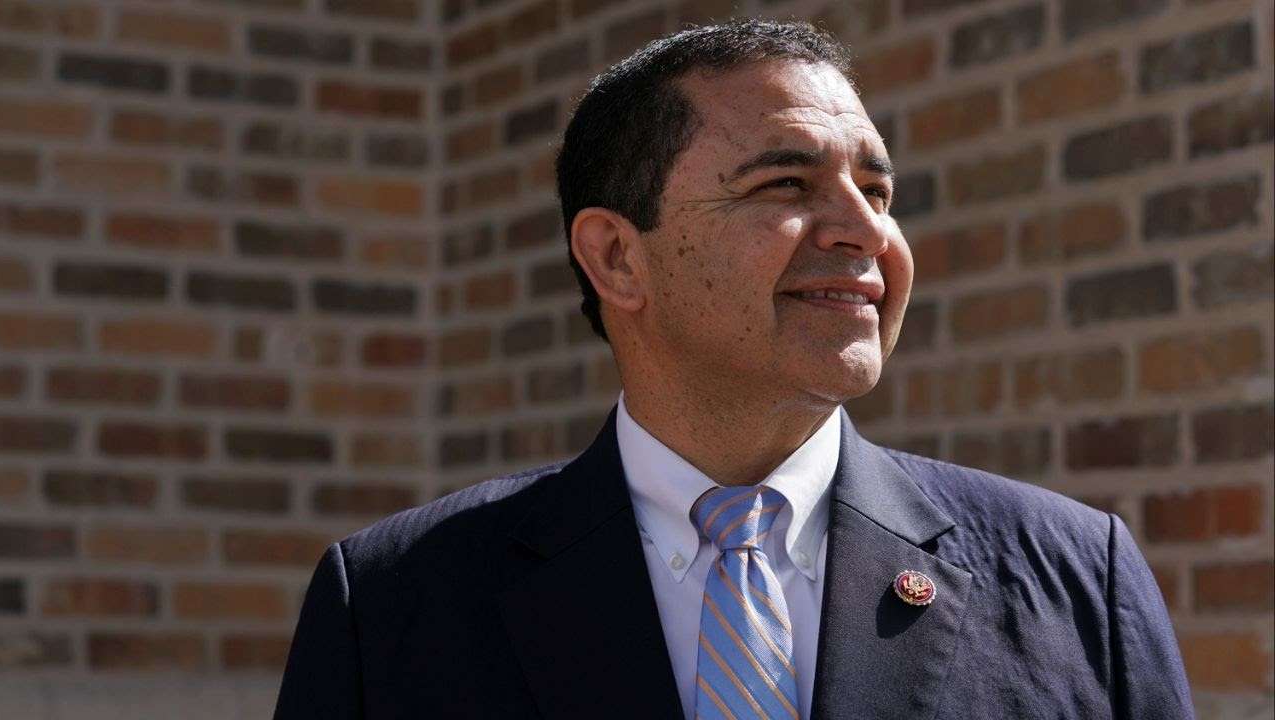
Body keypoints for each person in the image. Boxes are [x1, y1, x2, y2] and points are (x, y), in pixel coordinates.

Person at [274, 19, 1193, 720]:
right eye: (785, 185)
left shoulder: (1079, 580)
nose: (866, 232)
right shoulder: (392, 605)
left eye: (877, 191)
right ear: (618, 258)